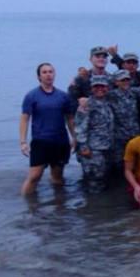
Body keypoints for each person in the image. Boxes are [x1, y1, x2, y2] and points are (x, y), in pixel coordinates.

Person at [20, 63, 77, 194]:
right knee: (34, 177)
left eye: (51, 72)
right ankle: (27, 208)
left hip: (60, 142)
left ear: (54, 74)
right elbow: (24, 118)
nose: (48, 75)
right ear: (39, 76)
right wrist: (23, 142)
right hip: (41, 142)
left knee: (57, 178)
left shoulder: (63, 96)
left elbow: (70, 119)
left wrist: (74, 137)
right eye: (44, 72)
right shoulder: (32, 96)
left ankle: (60, 206)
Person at [74, 75, 115, 193]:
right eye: (96, 86)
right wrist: (84, 148)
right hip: (92, 151)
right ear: (91, 88)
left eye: (103, 86)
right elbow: (80, 128)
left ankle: (102, 209)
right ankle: (92, 209)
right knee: (94, 183)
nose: (100, 89)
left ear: (107, 88)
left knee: (104, 181)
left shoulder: (107, 103)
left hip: (106, 149)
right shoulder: (86, 105)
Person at [107, 70, 140, 174]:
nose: (125, 82)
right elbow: (95, 92)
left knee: (136, 163)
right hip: (118, 137)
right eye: (122, 80)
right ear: (116, 82)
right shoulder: (110, 95)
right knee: (119, 165)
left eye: (127, 80)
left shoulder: (135, 93)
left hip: (134, 135)